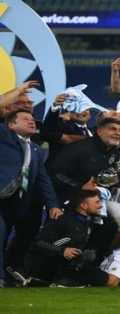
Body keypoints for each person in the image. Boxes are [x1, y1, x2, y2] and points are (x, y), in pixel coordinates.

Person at [0, 110, 61, 287]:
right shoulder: (5, 138)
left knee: (16, 236)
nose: (32, 121)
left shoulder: (35, 149)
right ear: (11, 125)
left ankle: (10, 271)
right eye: (25, 119)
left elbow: (43, 180)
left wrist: (52, 205)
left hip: (17, 203)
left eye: (32, 119)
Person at [14, 190, 107, 287]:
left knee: (103, 278)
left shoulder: (88, 222)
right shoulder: (63, 220)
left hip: (68, 265)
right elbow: (38, 243)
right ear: (83, 205)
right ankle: (36, 278)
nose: (100, 205)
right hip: (47, 264)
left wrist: (85, 254)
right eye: (97, 202)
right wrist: (62, 251)